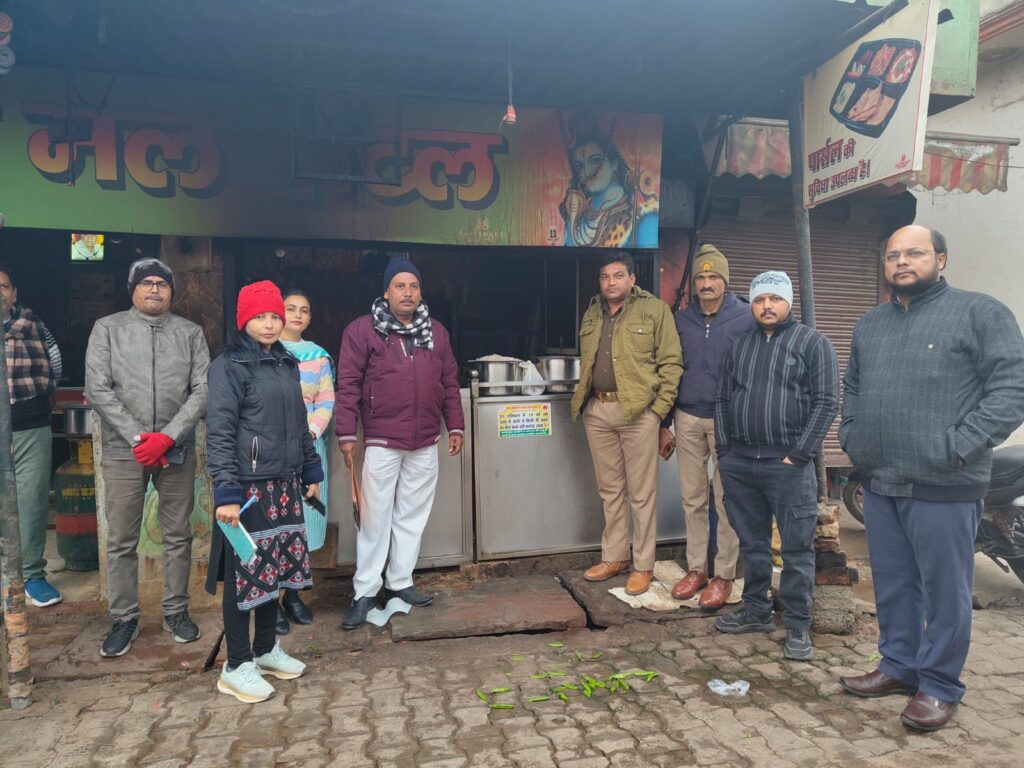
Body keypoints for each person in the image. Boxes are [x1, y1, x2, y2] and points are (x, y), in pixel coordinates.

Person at [837, 225, 1024, 731]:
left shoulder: (980, 313)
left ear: (940, 258)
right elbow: (853, 387)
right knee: (894, 583)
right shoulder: (871, 324)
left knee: (945, 591)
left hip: (945, 483)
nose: (901, 262)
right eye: (892, 255)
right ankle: (899, 665)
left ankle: (940, 684)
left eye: (914, 253)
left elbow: (1012, 387)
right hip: (880, 481)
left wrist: (960, 447)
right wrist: (853, 435)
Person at [84, 257, 209, 657]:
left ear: (171, 292)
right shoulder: (108, 329)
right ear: (133, 289)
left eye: (162, 283)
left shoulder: (190, 333)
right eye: (146, 283)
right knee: (121, 538)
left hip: (176, 448)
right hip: (124, 449)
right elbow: (97, 388)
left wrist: (168, 437)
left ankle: (176, 611)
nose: (155, 289)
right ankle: (124, 618)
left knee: (178, 534)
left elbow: (203, 390)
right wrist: (139, 438)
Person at [205, 280, 323, 703]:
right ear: (244, 320)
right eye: (260, 317)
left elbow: (300, 421)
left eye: (275, 315)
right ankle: (237, 665)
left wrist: (311, 468)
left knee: (276, 570)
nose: (270, 324)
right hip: (248, 490)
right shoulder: (229, 365)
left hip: (284, 484)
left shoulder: (286, 362)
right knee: (245, 576)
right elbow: (219, 431)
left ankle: (266, 649)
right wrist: (226, 492)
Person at [713, 271, 838, 661]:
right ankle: (756, 611)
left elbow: (826, 402)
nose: (767, 306)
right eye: (759, 299)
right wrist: (725, 452)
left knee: (797, 548)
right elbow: (722, 400)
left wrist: (799, 455)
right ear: (751, 305)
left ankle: (798, 624)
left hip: (788, 465)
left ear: (788, 302)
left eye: (775, 299)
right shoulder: (739, 346)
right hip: (741, 463)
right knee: (753, 544)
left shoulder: (813, 343)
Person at [336, 256, 465, 630]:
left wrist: (456, 426)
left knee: (412, 515)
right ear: (386, 291)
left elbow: (449, 382)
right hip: (382, 439)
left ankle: (399, 582)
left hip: (424, 440)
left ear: (420, 292)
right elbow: (348, 384)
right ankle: (364, 592)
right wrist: (347, 433)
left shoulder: (436, 332)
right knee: (374, 519)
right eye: (400, 286)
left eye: (414, 286)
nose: (407, 293)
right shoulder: (363, 331)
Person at [571, 251, 683, 596]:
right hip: (598, 410)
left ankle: (643, 565)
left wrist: (658, 413)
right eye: (605, 277)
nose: (611, 283)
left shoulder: (654, 310)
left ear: (633, 279)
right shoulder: (593, 312)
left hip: (638, 413)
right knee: (610, 490)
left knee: (641, 493)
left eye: (618, 275)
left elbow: (672, 364)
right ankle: (615, 557)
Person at [660, 245, 754, 609]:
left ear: (725, 281)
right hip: (686, 416)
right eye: (700, 277)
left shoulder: (745, 317)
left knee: (726, 498)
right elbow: (670, 369)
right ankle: (696, 569)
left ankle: (724, 574)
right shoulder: (681, 320)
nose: (706, 283)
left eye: (714, 276)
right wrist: (665, 421)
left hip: (727, 419)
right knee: (693, 497)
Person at [1, 261, 64, 607]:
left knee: (32, 502)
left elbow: (55, 365)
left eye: (4, 286)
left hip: (30, 426)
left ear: (14, 293)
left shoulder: (33, 325)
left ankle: (32, 575)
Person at [275, 288, 334, 634]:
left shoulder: (318, 357)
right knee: (277, 524)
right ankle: (272, 598)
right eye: (291, 308)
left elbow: (326, 400)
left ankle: (294, 595)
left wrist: (310, 433)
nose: (297, 315)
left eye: (304, 310)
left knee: (305, 524)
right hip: (275, 452)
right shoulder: (267, 351)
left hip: (311, 449)